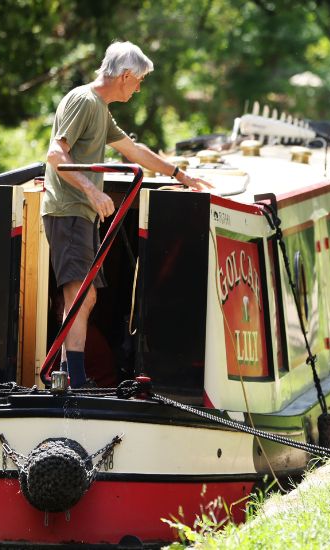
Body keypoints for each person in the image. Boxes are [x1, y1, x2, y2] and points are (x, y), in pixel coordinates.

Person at [43, 41, 210, 387]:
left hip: (81, 213)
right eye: (139, 81)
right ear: (126, 75)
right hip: (69, 211)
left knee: (84, 297)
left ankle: (66, 375)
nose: (139, 88)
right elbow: (55, 155)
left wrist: (180, 175)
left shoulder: (99, 109)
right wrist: (92, 190)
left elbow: (133, 151)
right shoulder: (83, 101)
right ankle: (72, 379)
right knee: (78, 296)